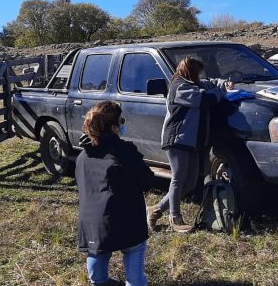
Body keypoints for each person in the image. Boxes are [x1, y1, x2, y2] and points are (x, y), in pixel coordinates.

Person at [146, 57, 231, 233]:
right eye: (197, 72)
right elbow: (203, 99)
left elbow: (212, 82)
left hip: (192, 141)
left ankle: (155, 210)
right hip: (177, 139)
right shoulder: (179, 87)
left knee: (191, 182)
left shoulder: (195, 83)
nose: (200, 76)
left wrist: (225, 83)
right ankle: (175, 218)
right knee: (178, 177)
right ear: (189, 71)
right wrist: (222, 92)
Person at [76, 101, 154, 286]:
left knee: (97, 253)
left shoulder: (82, 156)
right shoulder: (124, 152)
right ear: (113, 127)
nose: (123, 124)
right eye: (122, 120)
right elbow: (147, 180)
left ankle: (98, 281)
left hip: (92, 222)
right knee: (134, 252)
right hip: (126, 218)